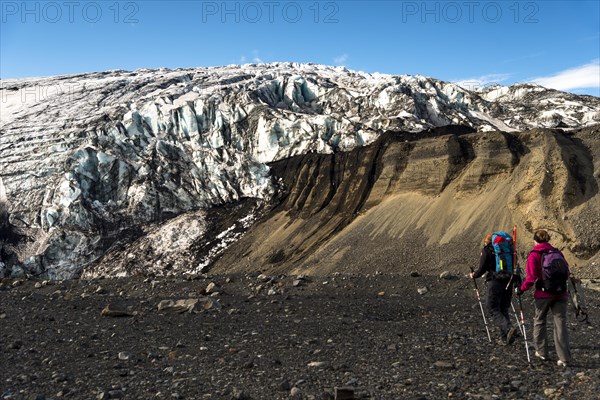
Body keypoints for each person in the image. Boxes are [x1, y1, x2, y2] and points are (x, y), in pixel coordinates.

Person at [517, 230, 571, 367]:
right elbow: (567, 272)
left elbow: (531, 278)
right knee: (560, 323)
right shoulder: (557, 253)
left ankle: (542, 352)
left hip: (543, 294)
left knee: (540, 321)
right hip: (561, 293)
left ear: (535, 240)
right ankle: (564, 358)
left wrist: (521, 289)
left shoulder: (534, 254)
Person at [471, 234, 518, 345]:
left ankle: (508, 328)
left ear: (486, 242)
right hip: (508, 279)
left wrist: (474, 275)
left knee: (492, 307)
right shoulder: (506, 250)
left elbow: (482, 268)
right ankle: (505, 338)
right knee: (503, 307)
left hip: (495, 281)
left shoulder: (487, 250)